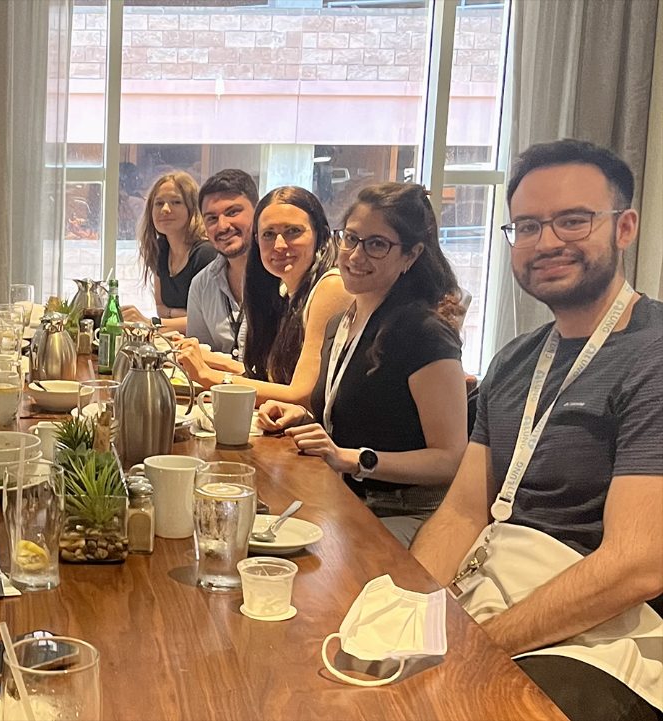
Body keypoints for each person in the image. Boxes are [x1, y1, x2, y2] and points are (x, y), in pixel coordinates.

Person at [411, 139, 662, 721]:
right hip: (494, 593)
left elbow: (638, 563)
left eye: (573, 221)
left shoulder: (651, 356)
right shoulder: (515, 359)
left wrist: (479, 646)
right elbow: (462, 513)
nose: (546, 242)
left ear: (624, 228)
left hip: (601, 637)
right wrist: (414, 607)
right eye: (526, 226)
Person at [257, 183, 468, 546]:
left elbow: (449, 459)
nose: (355, 255)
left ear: (411, 255)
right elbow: (362, 418)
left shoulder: (423, 333)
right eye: (351, 239)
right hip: (347, 500)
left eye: (377, 244)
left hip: (402, 514)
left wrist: (355, 459)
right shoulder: (344, 320)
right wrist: (303, 417)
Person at [177, 186, 352, 404]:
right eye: (269, 234)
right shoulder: (283, 289)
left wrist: (208, 376)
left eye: (293, 231)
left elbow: (301, 395)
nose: (279, 245)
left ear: (320, 234)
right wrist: (213, 361)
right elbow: (273, 378)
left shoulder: (331, 286)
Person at [185, 169, 259, 374]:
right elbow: (199, 360)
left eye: (233, 212)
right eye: (212, 218)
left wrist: (228, 367)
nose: (223, 226)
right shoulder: (202, 284)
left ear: (258, 212)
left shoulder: (283, 281)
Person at [126, 171, 216, 332]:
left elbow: (206, 322)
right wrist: (181, 315)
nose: (165, 209)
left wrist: (151, 323)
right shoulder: (160, 249)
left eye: (176, 202)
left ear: (192, 208)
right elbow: (160, 307)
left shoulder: (206, 254)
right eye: (159, 203)